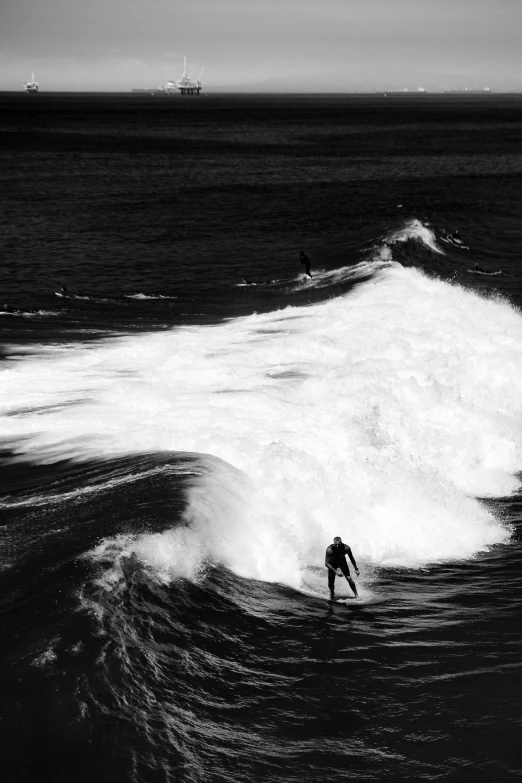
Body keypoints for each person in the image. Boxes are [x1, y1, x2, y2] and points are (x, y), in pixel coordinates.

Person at [325, 536, 360, 600]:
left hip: (342, 563)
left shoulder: (346, 548)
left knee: (349, 578)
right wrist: (336, 572)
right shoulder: (329, 549)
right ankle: (332, 594)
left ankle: (356, 595)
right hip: (333, 564)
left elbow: (351, 558)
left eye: (339, 544)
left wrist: (356, 569)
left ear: (342, 543)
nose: (337, 546)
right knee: (331, 582)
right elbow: (326, 563)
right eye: (336, 544)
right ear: (333, 543)